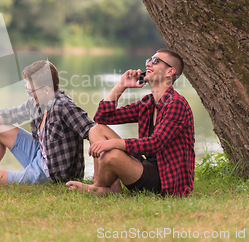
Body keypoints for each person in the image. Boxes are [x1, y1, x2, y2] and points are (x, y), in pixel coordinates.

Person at [66, 49, 195, 196]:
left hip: (167, 180)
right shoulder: (148, 103)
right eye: (149, 60)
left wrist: (113, 144)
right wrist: (121, 85)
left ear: (170, 71)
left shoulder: (176, 103)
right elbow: (102, 118)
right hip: (147, 167)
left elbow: (155, 143)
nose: (148, 64)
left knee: (111, 155)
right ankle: (106, 186)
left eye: (155, 61)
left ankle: (99, 188)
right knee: (96, 130)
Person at [0, 60, 96, 185]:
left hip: (52, 174)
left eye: (31, 91)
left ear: (46, 89)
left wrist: (97, 178)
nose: (29, 95)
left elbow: (94, 132)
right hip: (42, 155)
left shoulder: (63, 107)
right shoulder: (39, 103)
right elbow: (10, 114)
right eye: (28, 90)